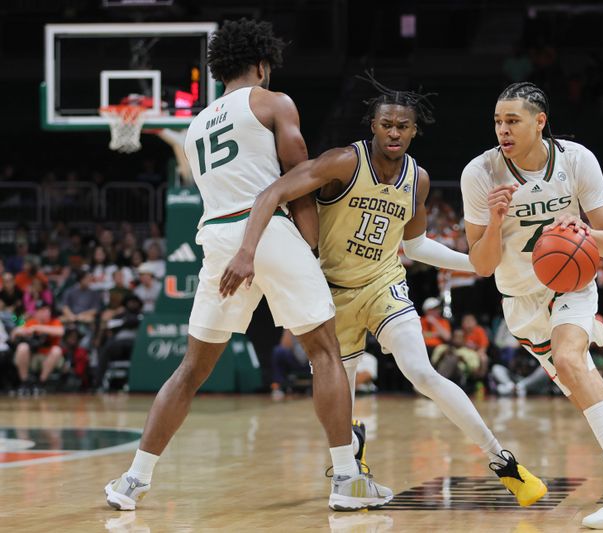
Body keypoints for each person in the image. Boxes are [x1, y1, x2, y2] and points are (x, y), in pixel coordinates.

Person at [220, 72, 547, 507]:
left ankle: (502, 462)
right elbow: (272, 192)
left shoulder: (419, 179)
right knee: (342, 404)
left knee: (423, 372)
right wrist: (247, 250)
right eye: (387, 124)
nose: (394, 132)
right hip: (330, 292)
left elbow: (413, 245)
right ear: (373, 125)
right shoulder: (342, 162)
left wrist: (473, 264)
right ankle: (351, 467)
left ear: (414, 130)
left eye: (403, 126)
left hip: (383, 283)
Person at [105, 19, 390, 513]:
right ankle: (347, 479)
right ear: (262, 64)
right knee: (324, 352)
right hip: (267, 229)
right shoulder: (272, 102)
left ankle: (133, 480)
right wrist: (312, 250)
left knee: (191, 369)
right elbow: (298, 182)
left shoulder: (196, 126)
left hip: (216, 238)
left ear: (219, 70)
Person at [460, 82, 603, 529]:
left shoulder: (576, 160)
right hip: (521, 302)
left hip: (571, 284)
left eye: (512, 121)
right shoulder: (481, 173)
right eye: (497, 121)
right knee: (599, 406)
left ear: (539, 122)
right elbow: (482, 265)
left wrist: (582, 231)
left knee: (570, 361)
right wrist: (494, 221)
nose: (502, 130)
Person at [12, 303, 64, 394]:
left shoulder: (54, 322)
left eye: (46, 310)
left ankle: (41, 383)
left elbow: (60, 331)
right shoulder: (31, 322)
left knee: (57, 350)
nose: (45, 313)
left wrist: (37, 328)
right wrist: (22, 331)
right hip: (32, 357)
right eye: (41, 310)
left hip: (48, 358)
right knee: (22, 347)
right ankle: (25, 383)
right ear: (36, 313)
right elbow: (14, 334)